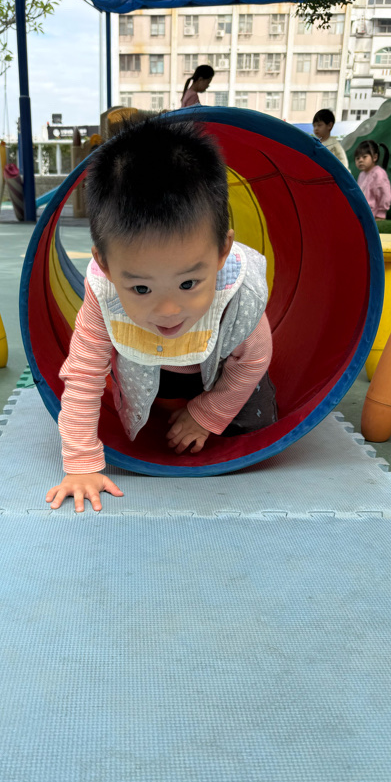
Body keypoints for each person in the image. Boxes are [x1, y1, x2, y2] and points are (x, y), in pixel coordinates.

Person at [45, 118, 277, 513]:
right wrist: (82, 463)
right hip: (148, 368)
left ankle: (206, 411)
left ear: (222, 252)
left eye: (188, 283)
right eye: (141, 288)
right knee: (152, 417)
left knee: (259, 429)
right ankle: (164, 406)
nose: (168, 311)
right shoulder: (104, 297)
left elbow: (253, 359)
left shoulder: (239, 291)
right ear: (106, 266)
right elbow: (83, 376)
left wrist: (207, 414)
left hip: (221, 367)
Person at [354, 139, 391, 220]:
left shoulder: (379, 173)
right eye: (357, 158)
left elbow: (385, 195)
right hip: (362, 214)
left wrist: (380, 214)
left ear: (375, 157)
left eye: (364, 157)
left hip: (374, 216)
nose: (360, 160)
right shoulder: (362, 174)